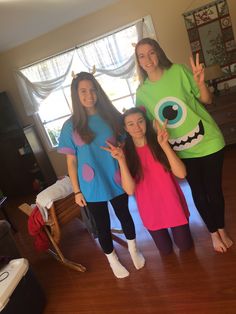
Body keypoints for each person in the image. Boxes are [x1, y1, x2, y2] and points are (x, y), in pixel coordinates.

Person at [134, 37, 233, 253]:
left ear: (158, 52)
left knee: (214, 191)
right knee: (198, 193)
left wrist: (200, 84)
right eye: (142, 56)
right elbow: (144, 126)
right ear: (139, 62)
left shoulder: (178, 71)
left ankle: (222, 229)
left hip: (209, 141)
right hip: (182, 150)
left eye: (151, 52)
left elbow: (206, 100)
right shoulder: (142, 93)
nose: (148, 59)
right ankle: (213, 233)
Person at [57, 72, 145, 278]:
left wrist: (120, 149)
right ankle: (112, 259)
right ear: (76, 95)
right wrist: (77, 191)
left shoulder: (111, 116)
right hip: (91, 185)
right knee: (103, 226)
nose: (89, 95)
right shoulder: (70, 126)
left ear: (98, 91)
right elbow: (71, 161)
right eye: (83, 91)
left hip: (116, 178)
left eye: (92, 90)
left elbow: (124, 141)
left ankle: (134, 250)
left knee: (125, 215)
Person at [102, 107, 193, 255]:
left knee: (185, 246)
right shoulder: (124, 153)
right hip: (150, 209)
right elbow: (130, 190)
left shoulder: (159, 142)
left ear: (146, 122)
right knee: (165, 250)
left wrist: (164, 145)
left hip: (172, 203)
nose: (137, 127)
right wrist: (121, 161)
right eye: (131, 124)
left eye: (140, 121)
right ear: (125, 128)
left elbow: (181, 173)